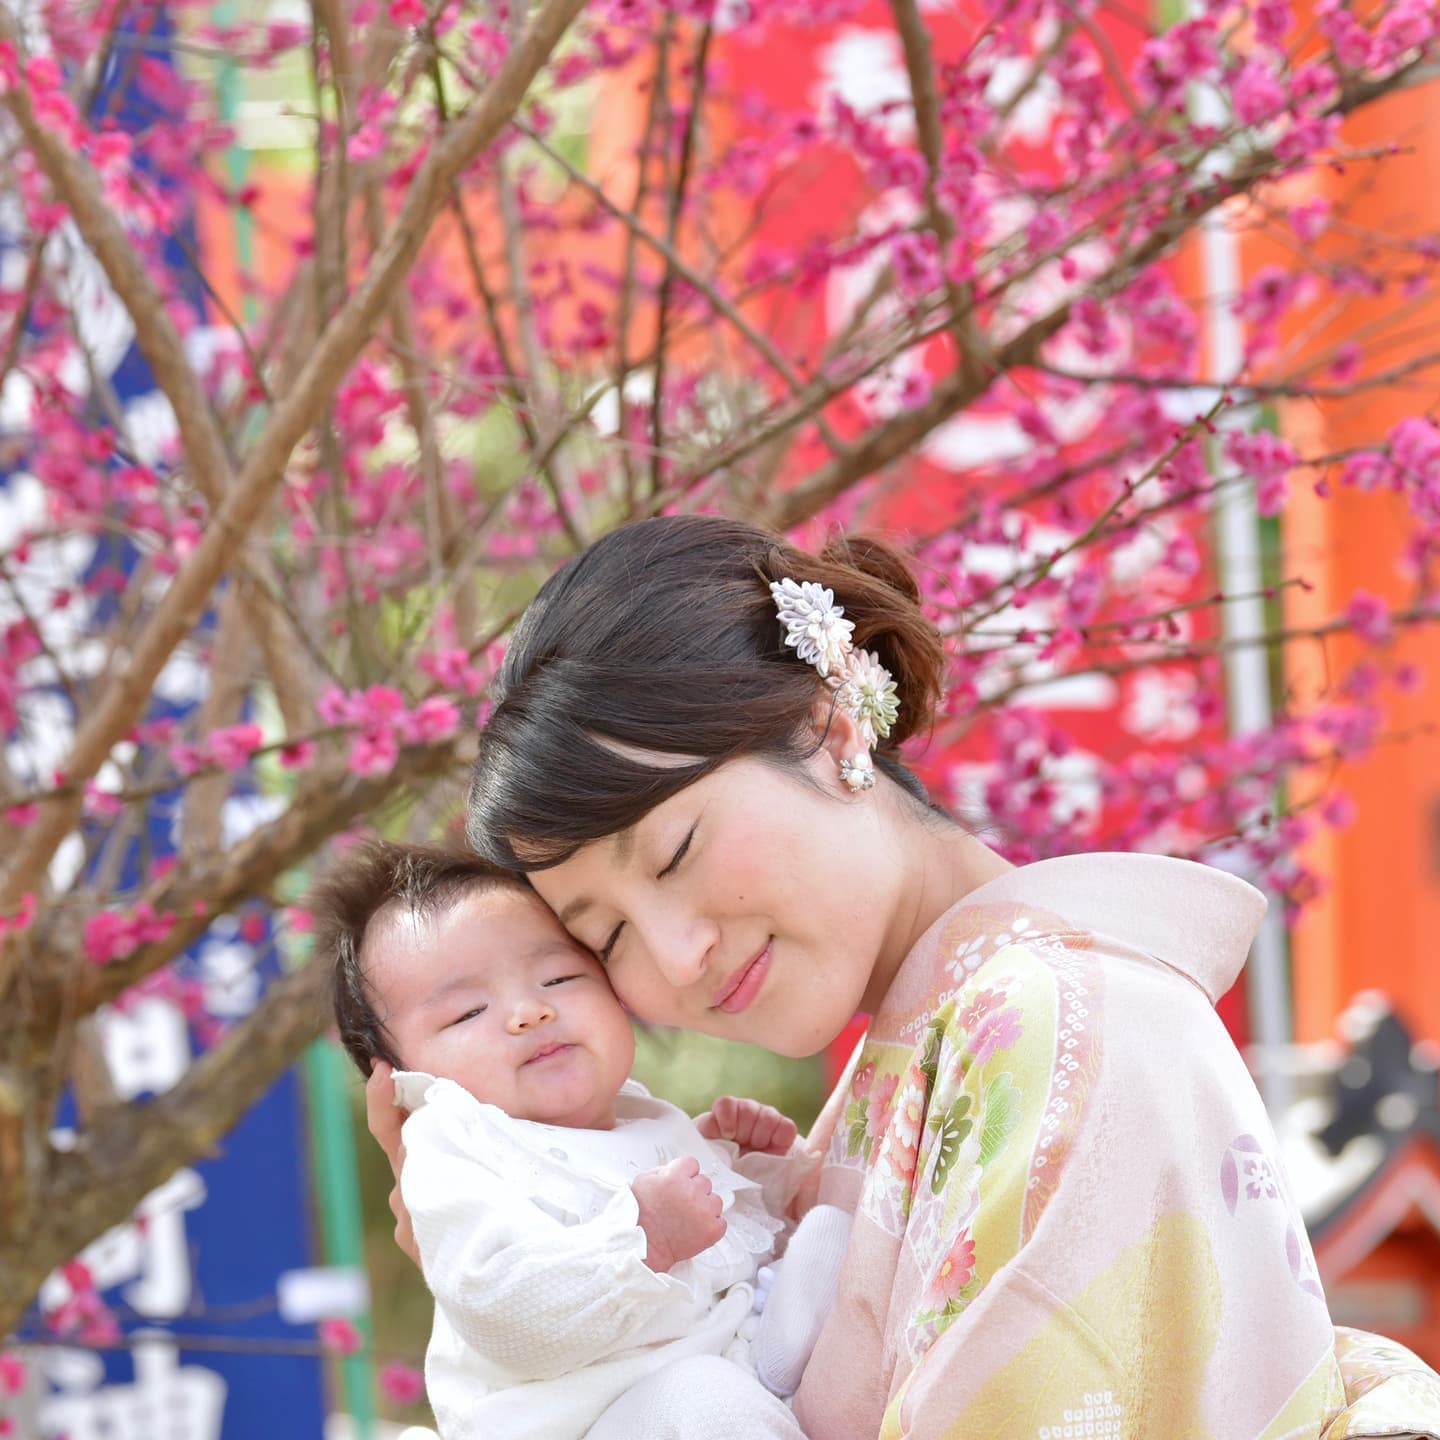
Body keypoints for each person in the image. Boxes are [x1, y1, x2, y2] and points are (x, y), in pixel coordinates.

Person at [369, 514, 1440, 1439]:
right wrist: (524, 1265)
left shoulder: (1058, 1020)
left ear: (829, 726)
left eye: (677, 852)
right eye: (604, 939)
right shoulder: (916, 1057)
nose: (676, 955)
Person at [313, 840, 846, 1440]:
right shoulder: (456, 1158)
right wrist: (641, 1240)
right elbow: (501, 1307)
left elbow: (726, 1260)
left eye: (559, 977)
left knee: (829, 1235)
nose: (529, 1011)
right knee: (704, 1401)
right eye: (467, 1013)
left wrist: (754, 1172)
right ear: (403, 1082)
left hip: (737, 1355)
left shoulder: (644, 1118)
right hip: (589, 1418)